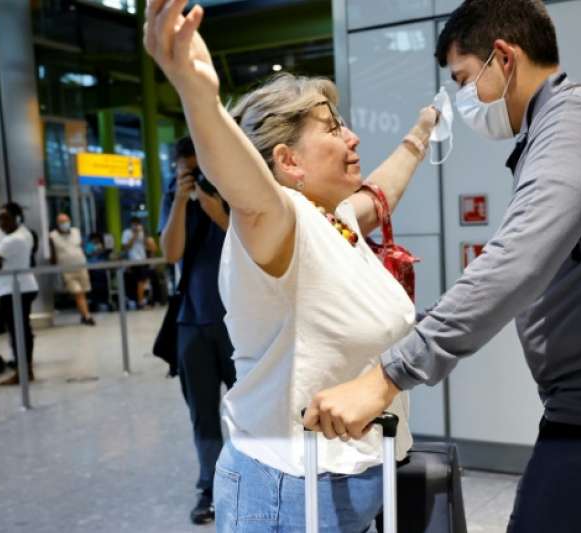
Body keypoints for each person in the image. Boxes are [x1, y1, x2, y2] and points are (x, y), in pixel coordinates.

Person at [306, 2, 581, 532]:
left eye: (466, 79)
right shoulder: (559, 125)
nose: (468, 99)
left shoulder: (576, 122)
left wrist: (387, 376)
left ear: (504, 58)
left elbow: (515, 263)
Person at [143, 2, 438, 531]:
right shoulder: (277, 221)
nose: (352, 138)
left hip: (355, 475)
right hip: (291, 488)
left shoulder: (338, 219)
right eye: (332, 129)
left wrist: (422, 134)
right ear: (287, 161)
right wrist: (196, 93)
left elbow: (384, 190)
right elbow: (243, 185)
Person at [159, 136, 236, 525]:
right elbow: (170, 253)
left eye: (200, 168)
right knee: (202, 413)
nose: (195, 176)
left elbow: (251, 243)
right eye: (188, 170)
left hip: (239, 319)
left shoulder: (233, 189)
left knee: (251, 407)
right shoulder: (175, 198)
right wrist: (177, 201)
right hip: (192, 320)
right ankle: (210, 486)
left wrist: (216, 208)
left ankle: (254, 477)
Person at [0, 203, 40, 386]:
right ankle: (26, 370)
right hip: (20, 287)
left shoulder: (12, 239)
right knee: (22, 330)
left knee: (18, 332)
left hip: (14, 289)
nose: (1, 222)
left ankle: (23, 372)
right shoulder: (26, 233)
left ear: (17, 218)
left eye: (5, 218)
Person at [49, 213, 95, 326]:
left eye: (66, 221)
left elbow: (83, 246)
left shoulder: (76, 232)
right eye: (62, 222)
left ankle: (84, 315)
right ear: (57, 224)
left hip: (81, 267)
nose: (65, 224)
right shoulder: (52, 236)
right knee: (78, 292)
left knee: (83, 292)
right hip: (67, 270)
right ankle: (87, 315)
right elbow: (52, 255)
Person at [121, 217, 150, 308]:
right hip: (134, 261)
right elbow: (125, 247)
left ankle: (141, 300)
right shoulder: (127, 233)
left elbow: (147, 245)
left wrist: (144, 234)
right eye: (134, 224)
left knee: (143, 282)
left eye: (137, 224)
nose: (136, 226)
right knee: (140, 282)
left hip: (143, 260)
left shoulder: (142, 232)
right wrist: (134, 235)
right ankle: (140, 302)